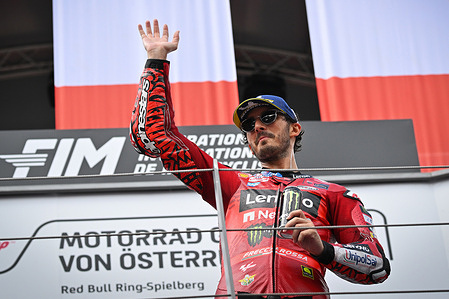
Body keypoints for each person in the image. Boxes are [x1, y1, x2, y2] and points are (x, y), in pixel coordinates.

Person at [130, 19, 390, 299]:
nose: (257, 127)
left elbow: (377, 267)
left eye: (267, 117)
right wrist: (156, 60)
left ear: (294, 128)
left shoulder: (335, 194)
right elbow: (154, 137)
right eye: (248, 125)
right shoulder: (230, 184)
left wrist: (322, 249)